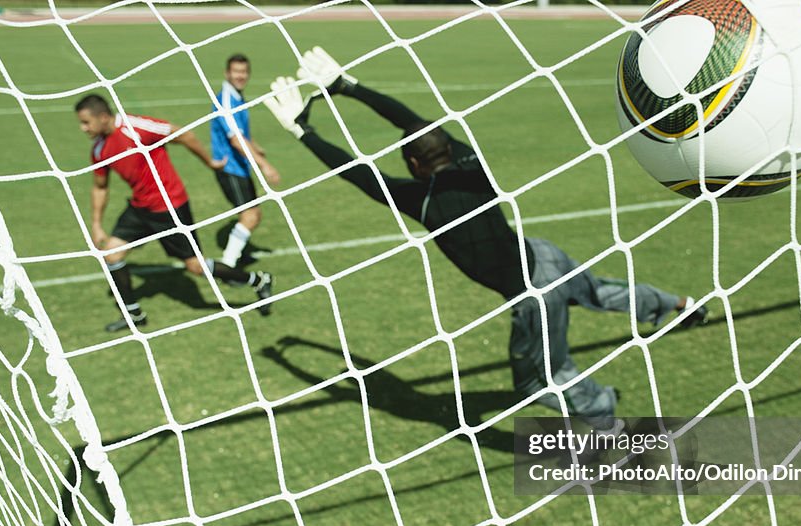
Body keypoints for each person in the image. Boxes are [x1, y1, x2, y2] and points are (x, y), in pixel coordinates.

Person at [263, 48, 708, 419]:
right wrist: (346, 86)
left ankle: (607, 423)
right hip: (543, 255)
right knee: (604, 291)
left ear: (415, 165)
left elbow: (355, 171)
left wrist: (304, 131)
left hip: (533, 292)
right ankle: (678, 304)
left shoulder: (422, 201)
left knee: (540, 380)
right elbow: (411, 121)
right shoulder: (472, 166)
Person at [75, 94, 273, 332]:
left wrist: (208, 161)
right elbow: (100, 186)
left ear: (103, 117)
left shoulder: (136, 128)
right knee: (111, 255)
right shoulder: (99, 149)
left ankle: (259, 280)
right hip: (139, 208)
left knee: (196, 267)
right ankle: (134, 314)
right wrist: (96, 224)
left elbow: (183, 134)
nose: (83, 128)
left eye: (86, 122)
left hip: (170, 207)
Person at [212, 54, 280, 268]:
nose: (240, 76)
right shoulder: (226, 100)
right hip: (230, 167)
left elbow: (240, 135)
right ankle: (229, 265)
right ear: (227, 73)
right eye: (236, 71)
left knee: (252, 214)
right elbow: (236, 140)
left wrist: (256, 147)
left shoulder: (237, 96)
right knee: (250, 216)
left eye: (244, 72)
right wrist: (264, 164)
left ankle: (235, 256)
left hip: (239, 166)